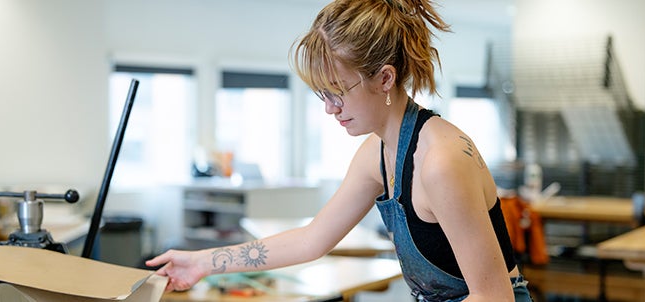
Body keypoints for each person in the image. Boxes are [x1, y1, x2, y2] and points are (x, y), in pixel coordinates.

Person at [146, 0, 533, 301]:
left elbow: (493, 297)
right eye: (322, 94)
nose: (329, 108)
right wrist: (201, 262)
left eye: (338, 91)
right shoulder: (376, 153)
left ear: (384, 78)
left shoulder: (441, 161)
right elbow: (312, 239)